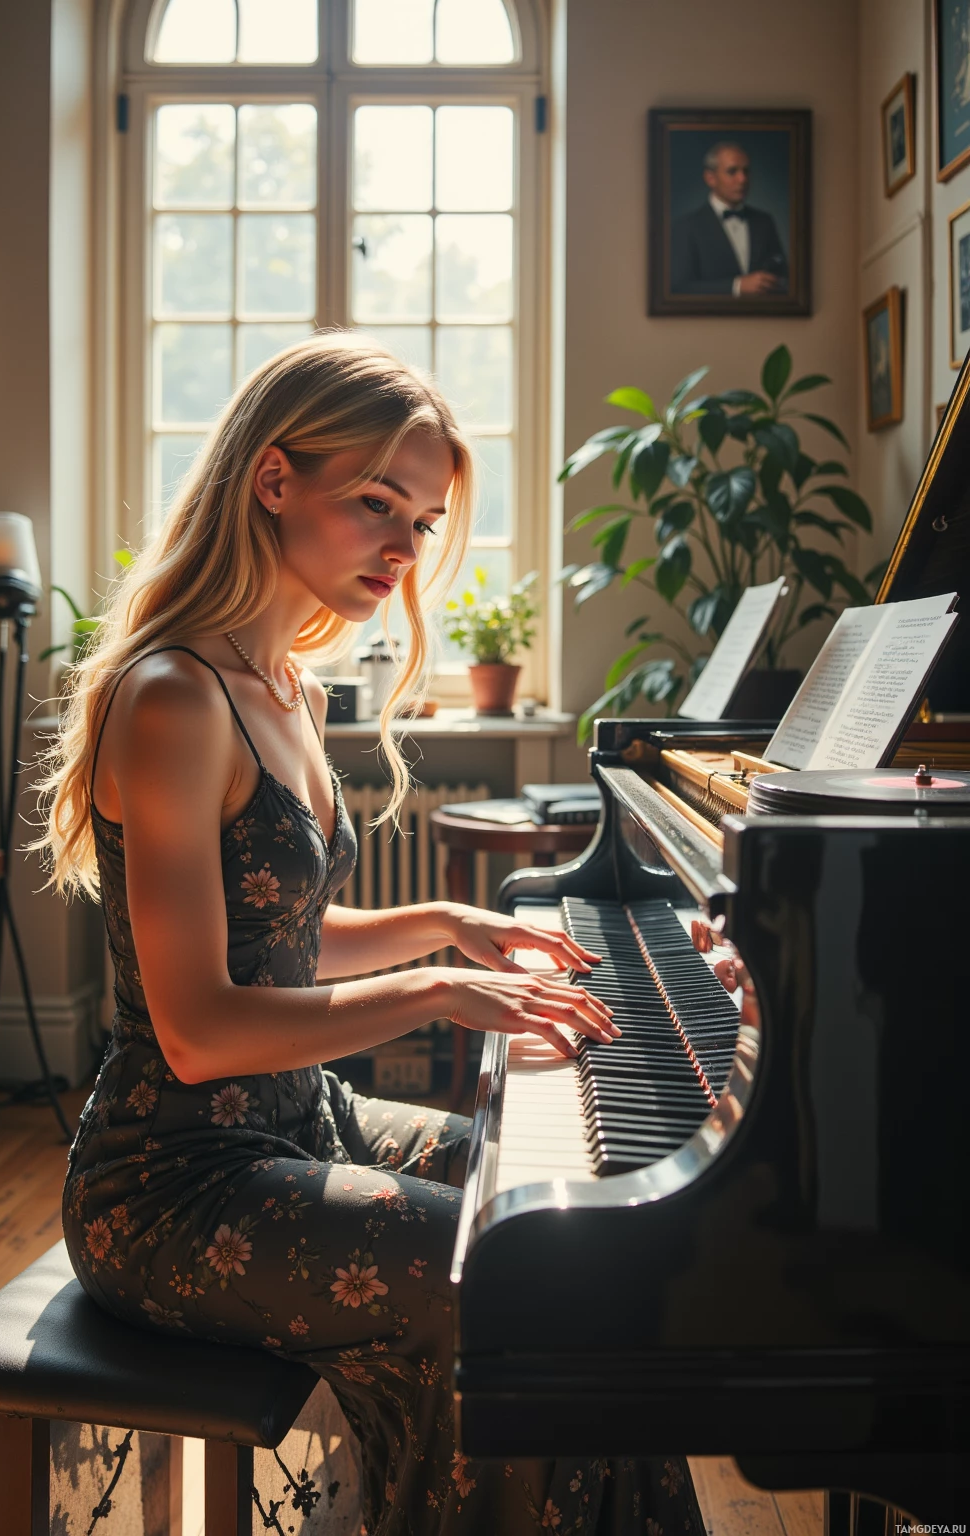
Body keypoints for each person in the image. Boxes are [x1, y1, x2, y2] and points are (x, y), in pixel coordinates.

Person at [38, 334, 705, 1535]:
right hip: (170, 1185)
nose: (402, 551)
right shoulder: (175, 695)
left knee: (561, 1214)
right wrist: (436, 992)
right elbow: (196, 1030)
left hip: (302, 1123)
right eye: (376, 507)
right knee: (501, 1276)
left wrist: (446, 924)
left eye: (423, 519)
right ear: (274, 480)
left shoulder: (276, 678)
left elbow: (286, 940)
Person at [670, 141, 788, 297]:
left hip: (764, 320)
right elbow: (680, 287)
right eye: (732, 171)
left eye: (746, 171)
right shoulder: (686, 226)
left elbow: (784, 277)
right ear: (710, 178)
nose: (742, 179)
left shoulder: (764, 221)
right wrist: (736, 286)